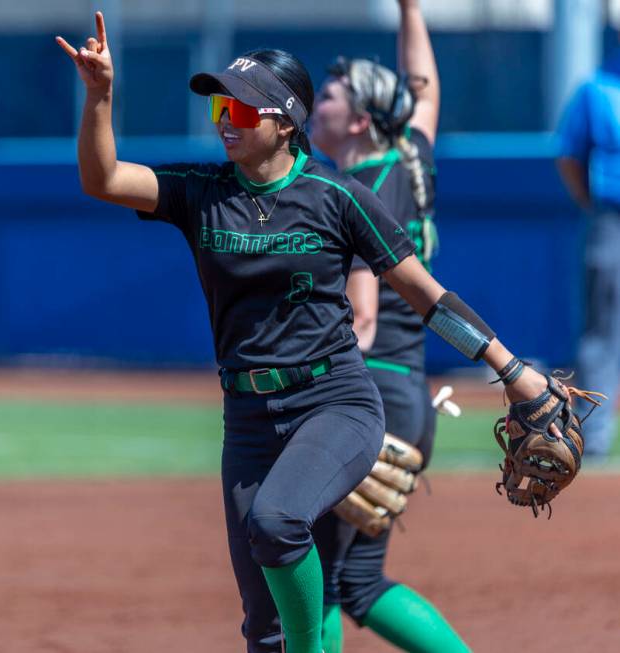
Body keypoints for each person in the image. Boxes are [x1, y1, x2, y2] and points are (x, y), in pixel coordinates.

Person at [58, 12, 558, 653]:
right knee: (262, 629)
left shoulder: (336, 195)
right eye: (219, 106)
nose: (224, 121)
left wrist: (514, 373)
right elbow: (102, 180)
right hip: (247, 418)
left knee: (279, 523)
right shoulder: (200, 191)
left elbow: (428, 299)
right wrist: (99, 95)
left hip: (336, 403)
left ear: (286, 122)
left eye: (241, 110)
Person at [307, 1, 471, 651]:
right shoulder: (408, 160)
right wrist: (410, 8)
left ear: (360, 120)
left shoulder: (355, 193)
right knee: (359, 582)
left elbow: (363, 318)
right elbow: (423, 87)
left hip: (369, 400)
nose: (315, 107)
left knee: (312, 573)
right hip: (410, 398)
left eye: (328, 97)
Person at [556, 42, 620, 462]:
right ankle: (593, 438)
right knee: (602, 329)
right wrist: (590, 203)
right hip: (611, 217)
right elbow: (568, 156)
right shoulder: (596, 89)